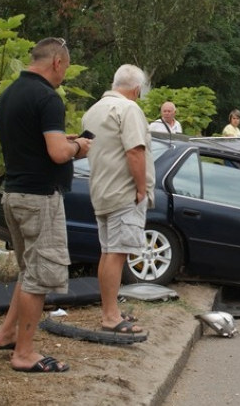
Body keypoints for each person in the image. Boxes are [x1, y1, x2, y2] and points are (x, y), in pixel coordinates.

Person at [0, 37, 91, 373]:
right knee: (39, 277)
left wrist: (68, 140)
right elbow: (57, 153)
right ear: (57, 63)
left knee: (28, 270)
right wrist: (79, 148)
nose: (63, 75)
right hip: (39, 198)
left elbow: (35, 143)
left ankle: (5, 334)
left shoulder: (9, 95)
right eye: (65, 68)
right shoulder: (48, 97)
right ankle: (24, 353)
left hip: (14, 193)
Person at [82, 64, 154, 335]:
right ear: (137, 89)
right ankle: (111, 317)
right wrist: (140, 188)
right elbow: (135, 151)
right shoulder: (129, 109)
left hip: (101, 189)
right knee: (117, 253)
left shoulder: (93, 110)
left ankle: (108, 309)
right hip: (124, 191)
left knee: (108, 252)